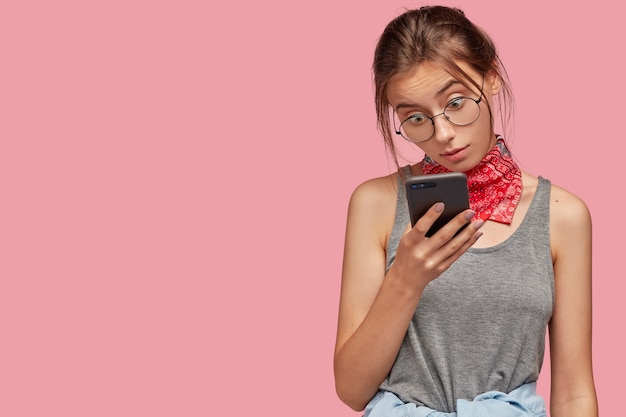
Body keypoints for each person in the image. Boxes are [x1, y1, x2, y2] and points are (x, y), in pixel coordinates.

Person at [333, 6, 598, 417]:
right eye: (416, 118)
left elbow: (574, 392)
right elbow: (351, 389)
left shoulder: (562, 216)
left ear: (490, 77)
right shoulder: (376, 204)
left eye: (456, 102)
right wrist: (404, 280)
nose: (442, 134)